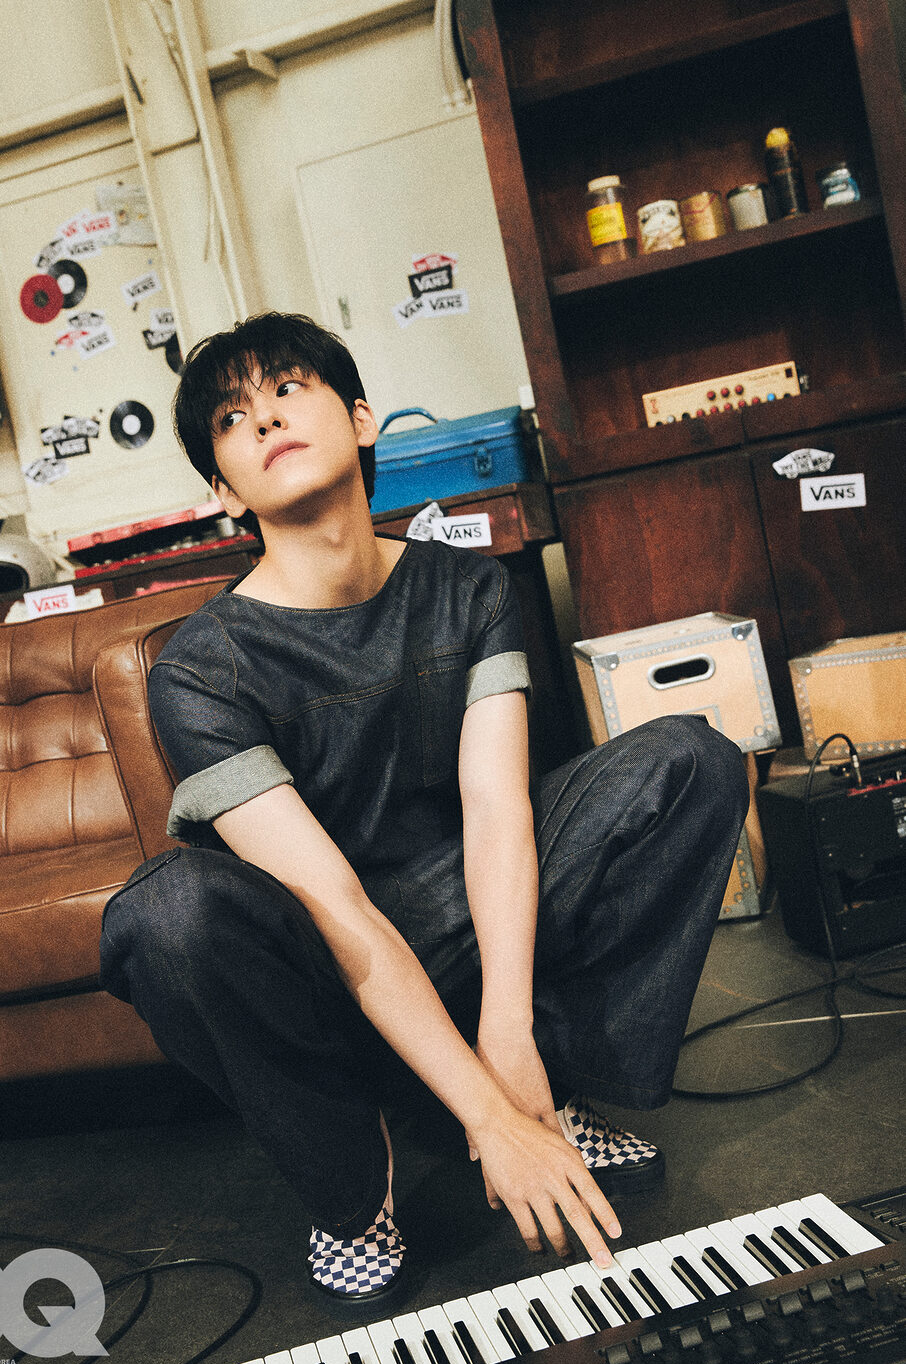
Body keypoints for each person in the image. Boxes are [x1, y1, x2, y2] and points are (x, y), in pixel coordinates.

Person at [99, 311, 749, 1306]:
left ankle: (556, 1093)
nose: (264, 418)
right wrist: (487, 1118)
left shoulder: (467, 587)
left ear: (361, 418)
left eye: (287, 388)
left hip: (463, 918)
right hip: (324, 963)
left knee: (691, 760)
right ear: (224, 490)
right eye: (232, 418)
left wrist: (510, 1036)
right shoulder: (200, 668)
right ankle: (353, 1183)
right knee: (163, 914)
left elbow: (496, 812)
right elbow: (335, 906)